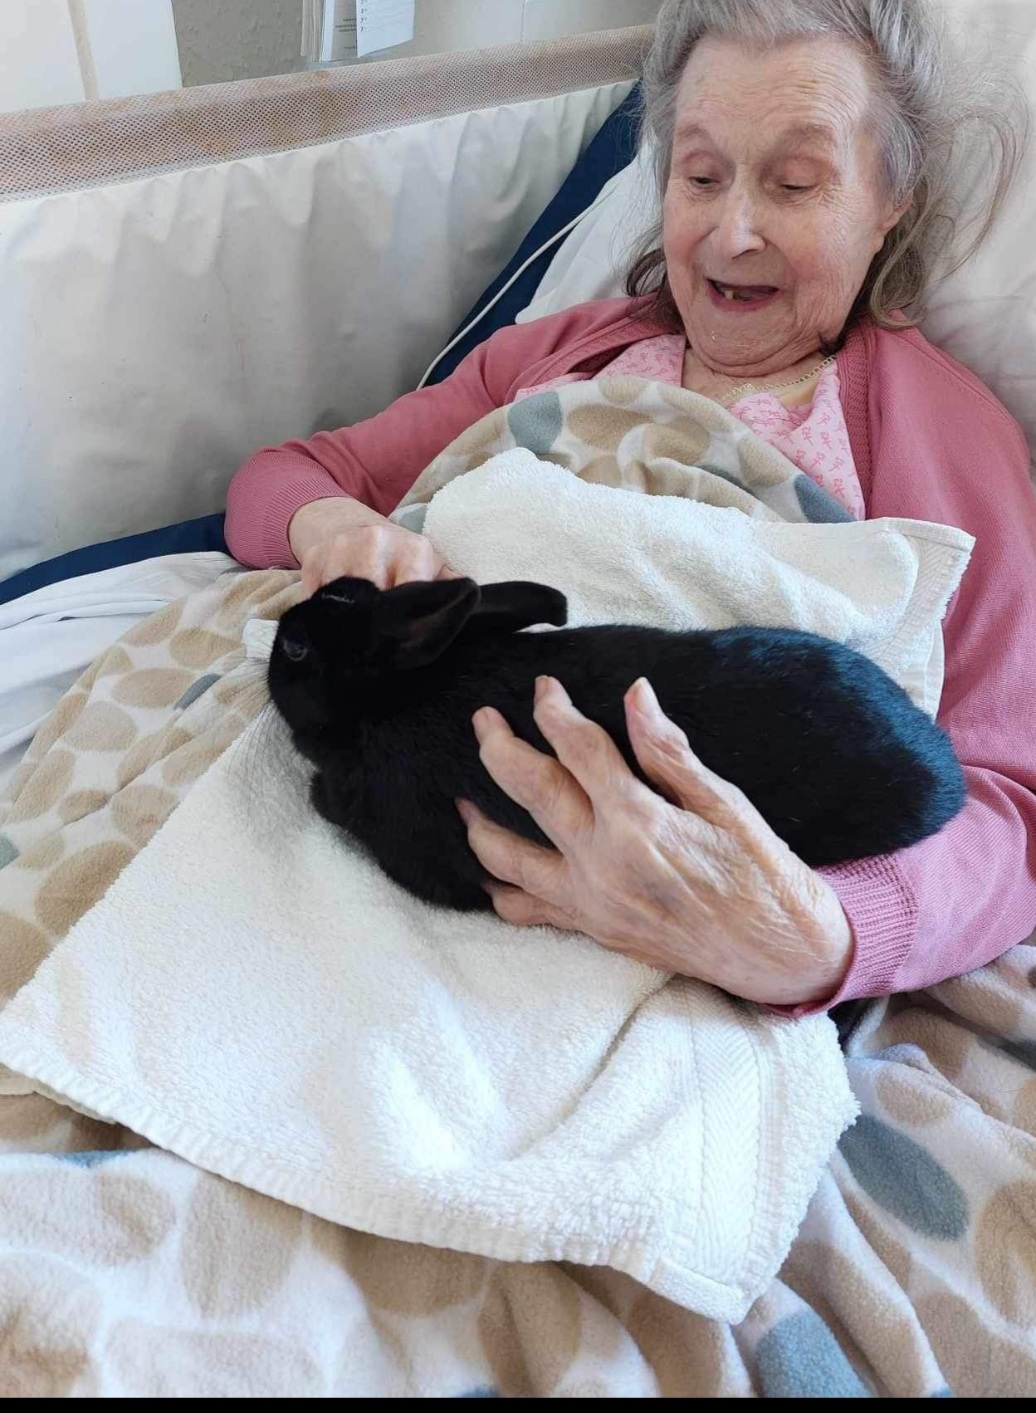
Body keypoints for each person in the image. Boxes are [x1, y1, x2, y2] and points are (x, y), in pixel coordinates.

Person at [225, 0, 1035, 1013]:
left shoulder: (938, 432)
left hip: (638, 921)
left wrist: (821, 936)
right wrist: (340, 528)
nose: (733, 231)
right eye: (700, 176)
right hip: (386, 823)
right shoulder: (558, 357)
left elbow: (1012, 800)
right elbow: (279, 481)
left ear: (890, 202)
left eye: (795, 183)